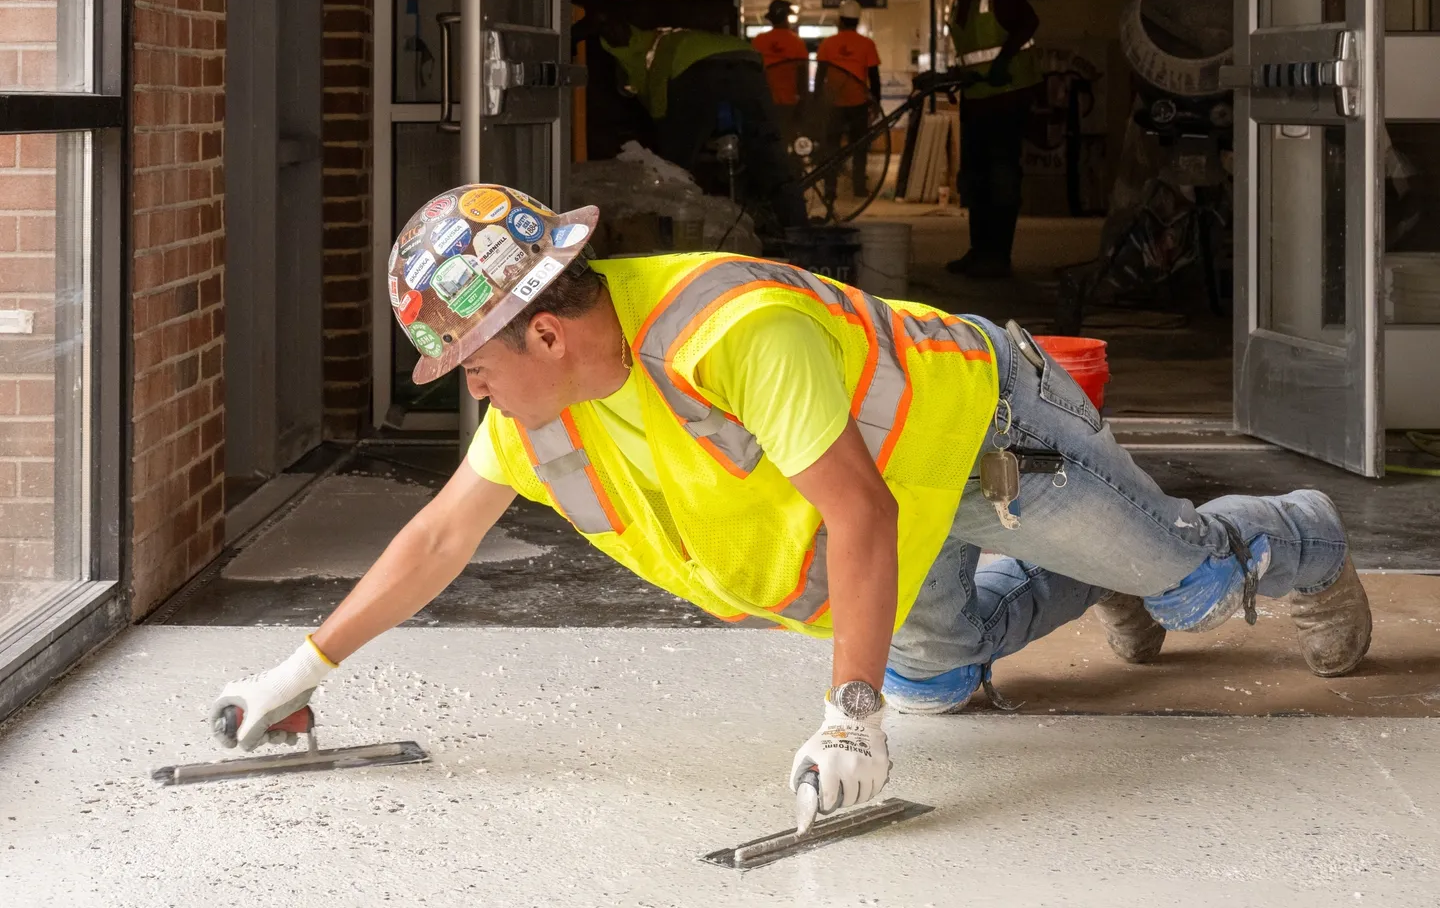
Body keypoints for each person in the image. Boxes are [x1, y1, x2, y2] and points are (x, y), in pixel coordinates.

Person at [211, 183, 1373, 823]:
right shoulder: (540, 409)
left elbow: (859, 516)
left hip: (989, 443)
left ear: (547, 332)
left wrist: (846, 713)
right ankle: (1104, 578)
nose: (472, 388)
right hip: (904, 496)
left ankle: (1298, 541)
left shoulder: (732, 331)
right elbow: (434, 538)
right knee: (940, 680)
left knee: (1204, 584)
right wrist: (300, 672)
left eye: (470, 363)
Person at [591, 12, 808, 230]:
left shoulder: (657, 53)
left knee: (676, 163)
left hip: (698, 69)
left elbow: (660, 109)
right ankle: (797, 227)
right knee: (768, 150)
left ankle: (669, 231)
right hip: (747, 61)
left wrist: (667, 143)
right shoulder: (666, 38)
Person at [918, 0, 1043, 278]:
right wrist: (946, 78)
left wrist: (1004, 61)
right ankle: (979, 250)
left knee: (1000, 177)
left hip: (1005, 99)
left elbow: (1029, 23)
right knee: (975, 178)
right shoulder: (961, 1)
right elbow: (972, 56)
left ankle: (998, 256)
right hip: (976, 100)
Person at [815, 0, 883, 201]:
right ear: (857, 20)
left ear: (840, 20)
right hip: (858, 104)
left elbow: (820, 75)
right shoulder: (867, 44)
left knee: (831, 147)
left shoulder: (828, 44)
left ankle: (830, 189)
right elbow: (874, 77)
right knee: (860, 148)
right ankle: (859, 188)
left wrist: (817, 101)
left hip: (833, 103)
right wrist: (876, 102)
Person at [752, 0, 810, 150]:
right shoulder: (796, 42)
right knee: (785, 141)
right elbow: (802, 74)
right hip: (788, 103)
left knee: (767, 142)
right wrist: (804, 101)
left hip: (764, 101)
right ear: (786, 17)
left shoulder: (759, 41)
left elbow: (752, 70)